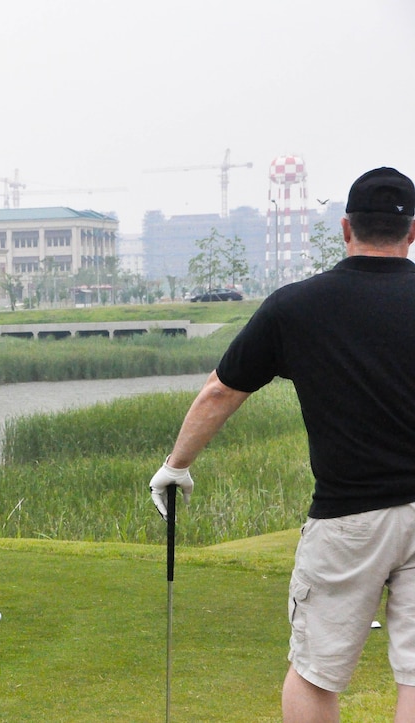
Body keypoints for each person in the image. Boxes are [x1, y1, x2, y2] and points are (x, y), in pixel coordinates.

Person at [148, 167, 415, 722]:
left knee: (316, 673)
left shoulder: (297, 306)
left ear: (346, 228)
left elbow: (221, 391)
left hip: (347, 520)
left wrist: (176, 465)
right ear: (412, 233)